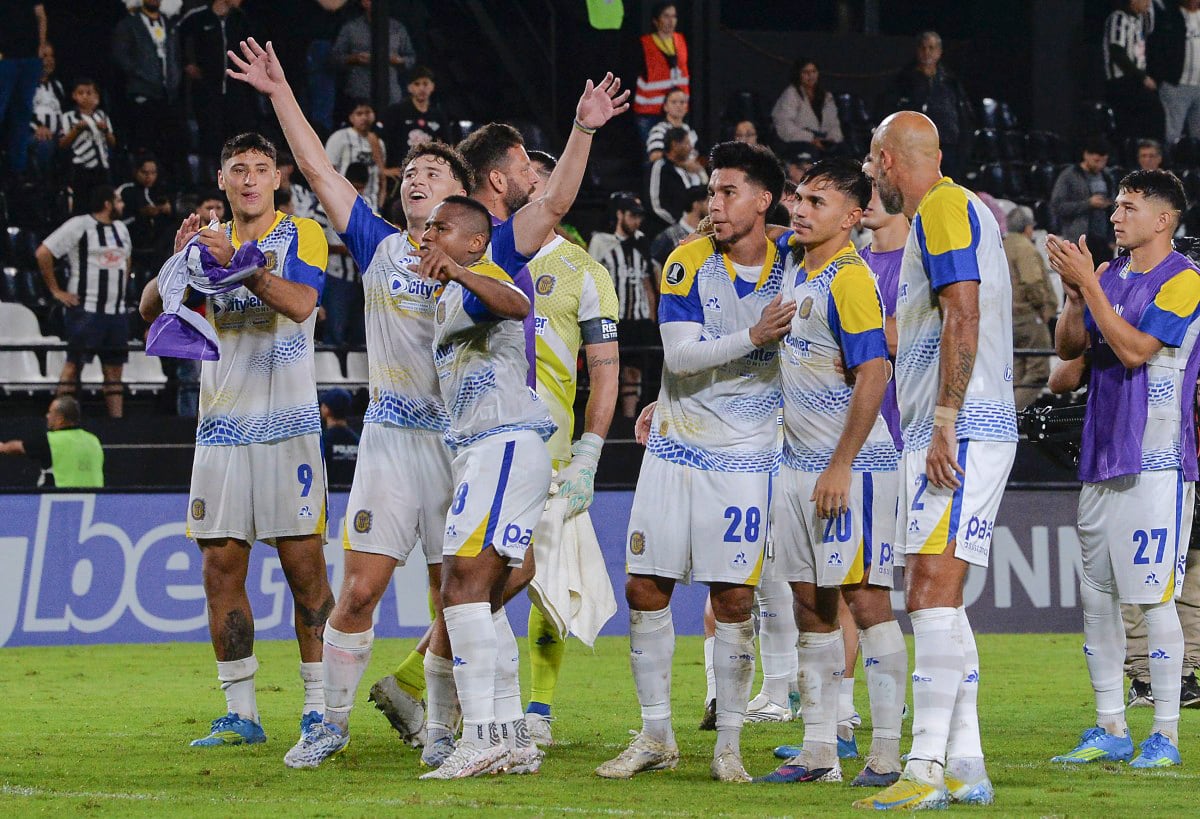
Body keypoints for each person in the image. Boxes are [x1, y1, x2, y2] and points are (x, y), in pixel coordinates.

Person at [225, 35, 468, 769]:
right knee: (358, 589)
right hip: (391, 439)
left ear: (460, 194)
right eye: (412, 170)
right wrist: (278, 92)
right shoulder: (378, 242)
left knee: (450, 596)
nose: (417, 176)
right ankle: (329, 721)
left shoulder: (488, 264)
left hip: (458, 446)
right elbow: (316, 166)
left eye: (434, 170)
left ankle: (447, 727)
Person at [596, 141, 790, 784]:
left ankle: (729, 744)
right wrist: (754, 337)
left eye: (729, 191)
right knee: (644, 588)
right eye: (712, 190)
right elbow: (679, 358)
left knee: (734, 597)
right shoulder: (686, 261)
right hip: (676, 449)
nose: (715, 203)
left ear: (764, 201)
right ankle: (656, 736)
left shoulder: (796, 266)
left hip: (746, 455)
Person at [139, 130, 333, 750]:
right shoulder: (208, 238)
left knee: (304, 570)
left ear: (278, 179)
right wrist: (180, 261)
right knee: (221, 565)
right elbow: (150, 308)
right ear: (222, 180)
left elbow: (302, 304)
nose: (249, 179)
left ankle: (319, 707)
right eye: (237, 170)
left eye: (260, 168)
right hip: (221, 429)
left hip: (290, 427)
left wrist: (234, 265)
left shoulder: (300, 234)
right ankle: (241, 713)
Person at [856, 111, 1016, 810]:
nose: (867, 173)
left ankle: (922, 766)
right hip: (951, 425)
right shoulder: (953, 213)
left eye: (870, 160)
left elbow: (964, 313)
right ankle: (967, 763)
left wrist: (946, 420)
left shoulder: (946, 207)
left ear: (890, 160)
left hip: (962, 426)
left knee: (928, 592)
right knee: (941, 600)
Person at [755, 158, 907, 789]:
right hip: (795, 467)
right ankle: (819, 750)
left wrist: (841, 464)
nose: (800, 209)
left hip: (855, 469)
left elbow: (874, 373)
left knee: (866, 602)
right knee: (806, 606)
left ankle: (889, 753)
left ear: (851, 217)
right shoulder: (795, 268)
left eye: (817, 202)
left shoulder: (850, 279)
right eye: (799, 197)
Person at [1046, 169, 1199, 769]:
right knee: (1099, 599)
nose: (1115, 216)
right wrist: (1077, 293)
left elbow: (1135, 350)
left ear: (1163, 219)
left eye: (1129, 207)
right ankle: (1110, 723)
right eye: (1115, 206)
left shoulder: (1186, 281)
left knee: (1154, 600)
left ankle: (1164, 734)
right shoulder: (1107, 275)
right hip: (1101, 455)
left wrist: (1094, 287)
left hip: (1157, 459)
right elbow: (1066, 349)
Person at [492, 147, 621, 747]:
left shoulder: (584, 270)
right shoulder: (482, 252)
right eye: (525, 178)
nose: (533, 187)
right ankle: (471, 693)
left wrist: (591, 453)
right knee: (475, 577)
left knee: (546, 581)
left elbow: (606, 369)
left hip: (552, 455)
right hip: (478, 444)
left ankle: (538, 709)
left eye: (538, 178)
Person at [36, 185, 132, 419]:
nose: (122, 205)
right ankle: (57, 418)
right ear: (107, 203)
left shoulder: (121, 228)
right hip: (87, 311)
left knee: (114, 371)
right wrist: (56, 291)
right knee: (73, 366)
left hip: (116, 312)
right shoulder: (79, 225)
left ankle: (117, 426)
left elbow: (126, 259)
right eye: (118, 201)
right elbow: (43, 252)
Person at [588, 192, 656, 419]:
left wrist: (652, 315)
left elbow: (647, 280)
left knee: (634, 370)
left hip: (639, 317)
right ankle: (607, 419)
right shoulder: (602, 242)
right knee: (608, 370)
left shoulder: (642, 241)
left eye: (639, 217)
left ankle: (629, 419)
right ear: (620, 214)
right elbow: (592, 278)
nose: (636, 221)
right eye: (632, 215)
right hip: (613, 317)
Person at [179, 0, 254, 180]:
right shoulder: (197, 18)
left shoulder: (242, 19)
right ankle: (211, 182)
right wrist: (186, 64)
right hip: (207, 91)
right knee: (210, 139)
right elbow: (176, 39)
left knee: (237, 139)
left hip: (236, 90)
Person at [112, 0, 183, 182]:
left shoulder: (169, 24)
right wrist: (141, 74)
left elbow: (175, 54)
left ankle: (168, 189)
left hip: (168, 96)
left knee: (170, 147)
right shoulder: (128, 25)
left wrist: (174, 78)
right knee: (144, 145)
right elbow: (121, 56)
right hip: (142, 95)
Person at [889, 32, 971, 180]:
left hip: (948, 145)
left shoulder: (950, 81)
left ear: (939, 51)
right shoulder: (904, 80)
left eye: (931, 48)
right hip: (917, 147)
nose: (927, 52)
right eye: (923, 48)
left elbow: (962, 114)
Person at [1003, 205, 1058, 410]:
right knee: (1038, 372)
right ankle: (1012, 415)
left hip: (1008, 318)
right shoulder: (1024, 248)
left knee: (1017, 373)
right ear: (1028, 228)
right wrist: (1043, 308)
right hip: (1027, 316)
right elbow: (1032, 282)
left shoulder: (1004, 245)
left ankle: (1007, 418)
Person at [314, 160, 367, 346]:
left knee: (360, 333)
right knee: (335, 331)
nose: (358, 193)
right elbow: (314, 243)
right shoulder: (324, 207)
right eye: (355, 187)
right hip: (335, 277)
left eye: (361, 189)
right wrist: (345, 250)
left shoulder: (366, 208)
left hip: (361, 280)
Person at [0, 397, 103, 489]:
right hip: (96, 501)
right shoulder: (93, 440)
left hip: (62, 500)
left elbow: (17, 448)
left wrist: (2, 447)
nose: (47, 416)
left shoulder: (52, 440)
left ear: (60, 419)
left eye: (50, 412)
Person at [330, 0, 415, 111]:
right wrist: (354, 58)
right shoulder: (350, 28)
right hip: (359, 94)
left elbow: (411, 58)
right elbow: (334, 58)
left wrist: (399, 60)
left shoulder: (398, 28)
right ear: (364, 2)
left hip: (391, 95)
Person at [0, 0, 50, 178]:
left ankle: (17, 168)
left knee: (22, 114)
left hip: (29, 58)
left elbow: (41, 16)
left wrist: (41, 46)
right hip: (5, 58)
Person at [1051, 138, 1118, 264]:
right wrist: (1088, 204)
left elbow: (1114, 208)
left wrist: (1112, 238)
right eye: (1096, 160)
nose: (1100, 165)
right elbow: (1057, 206)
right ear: (1086, 155)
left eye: (1104, 161)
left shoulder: (1107, 176)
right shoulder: (1069, 176)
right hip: (1078, 241)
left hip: (1103, 242)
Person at [1104, 0, 1163, 143]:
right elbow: (1117, 52)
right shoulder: (1118, 18)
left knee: (1150, 121)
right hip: (1122, 82)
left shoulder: (1139, 20)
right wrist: (1142, 77)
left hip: (1137, 82)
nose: (1148, 4)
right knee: (1127, 126)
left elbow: (1151, 29)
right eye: (1145, 1)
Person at [634, 2, 689, 146]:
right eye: (666, 16)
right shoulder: (644, 44)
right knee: (652, 156)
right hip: (650, 111)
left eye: (674, 16)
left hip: (676, 111)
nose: (671, 21)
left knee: (679, 155)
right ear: (655, 20)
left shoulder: (681, 40)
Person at [59, 78, 117, 210]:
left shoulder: (102, 115)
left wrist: (106, 130)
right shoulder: (69, 116)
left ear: (96, 96)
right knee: (83, 203)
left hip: (102, 167)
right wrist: (77, 130)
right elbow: (63, 144)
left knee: (103, 203)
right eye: (81, 93)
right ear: (74, 96)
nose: (85, 96)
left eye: (89, 93)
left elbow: (112, 143)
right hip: (82, 167)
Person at [1149, 1, 1200, 145]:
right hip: (1176, 85)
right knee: (1172, 135)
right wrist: (1160, 77)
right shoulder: (1170, 17)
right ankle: (1169, 165)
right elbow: (1157, 49)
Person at [118, 155, 175, 281]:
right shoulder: (127, 191)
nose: (149, 177)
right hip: (133, 244)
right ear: (136, 171)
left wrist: (170, 210)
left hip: (158, 246)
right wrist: (142, 213)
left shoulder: (161, 191)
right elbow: (119, 221)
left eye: (153, 173)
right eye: (144, 172)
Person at [771, 58, 843, 155]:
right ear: (798, 74)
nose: (811, 75)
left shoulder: (826, 96)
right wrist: (811, 138)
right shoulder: (791, 94)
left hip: (823, 139)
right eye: (806, 72)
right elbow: (784, 125)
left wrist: (832, 138)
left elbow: (834, 123)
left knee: (843, 151)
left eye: (814, 71)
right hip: (799, 140)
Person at [324, 99, 386, 212]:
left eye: (367, 113)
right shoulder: (339, 137)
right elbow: (328, 170)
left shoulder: (379, 143)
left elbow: (381, 177)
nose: (364, 117)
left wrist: (380, 203)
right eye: (359, 114)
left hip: (370, 204)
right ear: (351, 117)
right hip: (342, 201)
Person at [646, 127, 707, 235]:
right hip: (664, 230)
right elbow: (656, 204)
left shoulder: (687, 169)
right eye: (687, 143)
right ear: (675, 144)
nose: (691, 147)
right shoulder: (659, 166)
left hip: (689, 229)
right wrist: (678, 224)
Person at [381, 65, 451, 155]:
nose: (422, 88)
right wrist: (382, 167)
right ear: (409, 87)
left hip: (428, 166)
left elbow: (448, 145)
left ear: (432, 86)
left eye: (425, 84)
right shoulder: (396, 111)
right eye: (417, 84)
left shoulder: (438, 115)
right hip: (401, 167)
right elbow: (374, 136)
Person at [27, 42, 65, 181]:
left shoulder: (57, 86)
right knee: (45, 144)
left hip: (57, 135)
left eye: (51, 56)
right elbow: (19, 112)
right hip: (32, 134)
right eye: (44, 56)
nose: (49, 60)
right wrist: (37, 127)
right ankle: (44, 187)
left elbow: (64, 112)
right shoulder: (24, 86)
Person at [650, 184, 708, 272]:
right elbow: (655, 262)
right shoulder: (669, 235)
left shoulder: (710, 235)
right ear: (696, 205)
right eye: (707, 202)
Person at [645, 88, 701, 165]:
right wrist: (683, 164)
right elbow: (655, 156)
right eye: (674, 102)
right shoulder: (659, 130)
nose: (678, 106)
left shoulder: (689, 130)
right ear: (665, 107)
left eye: (682, 102)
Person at [319, 388, 358, 488]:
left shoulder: (322, 442)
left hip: (329, 498)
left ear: (326, 410)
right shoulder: (358, 441)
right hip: (353, 499)